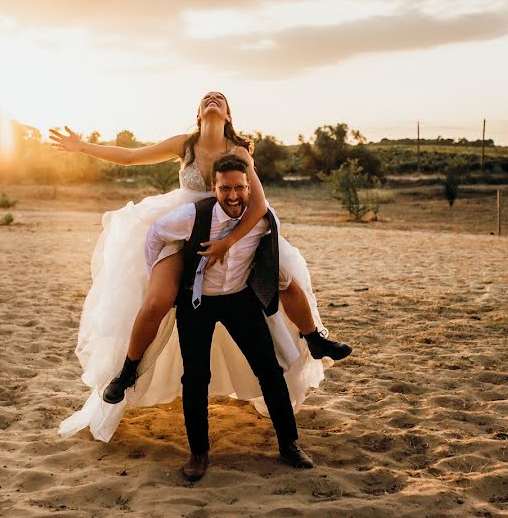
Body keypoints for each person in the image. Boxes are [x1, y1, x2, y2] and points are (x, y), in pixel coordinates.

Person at [52, 91, 351, 442]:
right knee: (157, 300)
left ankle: (315, 339)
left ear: (227, 114)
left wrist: (230, 241)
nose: (212, 99)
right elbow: (131, 157)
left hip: (231, 225)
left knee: (285, 276)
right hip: (185, 226)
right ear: (198, 113)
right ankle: (128, 370)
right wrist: (83, 147)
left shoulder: (238, 152)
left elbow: (258, 206)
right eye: (206, 97)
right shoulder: (185, 145)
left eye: (219, 98)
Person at [146, 154, 313, 480]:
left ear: (249, 187)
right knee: (195, 378)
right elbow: (155, 233)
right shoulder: (191, 216)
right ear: (213, 187)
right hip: (197, 303)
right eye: (225, 189)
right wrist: (158, 278)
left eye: (239, 187)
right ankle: (198, 454)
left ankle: (289, 444)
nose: (233, 195)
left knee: (269, 368)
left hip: (240, 301)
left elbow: (273, 260)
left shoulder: (263, 219)